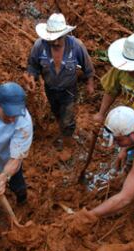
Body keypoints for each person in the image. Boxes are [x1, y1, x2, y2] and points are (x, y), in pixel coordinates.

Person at [24, 13, 95, 150]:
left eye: (59, 38)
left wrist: (90, 83)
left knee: (67, 117)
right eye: (52, 39)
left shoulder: (76, 46)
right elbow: (33, 65)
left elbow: (88, 66)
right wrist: (31, 78)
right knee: (56, 111)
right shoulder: (39, 46)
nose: (55, 42)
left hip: (68, 90)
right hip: (50, 89)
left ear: (65, 34)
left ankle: (68, 141)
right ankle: (61, 126)